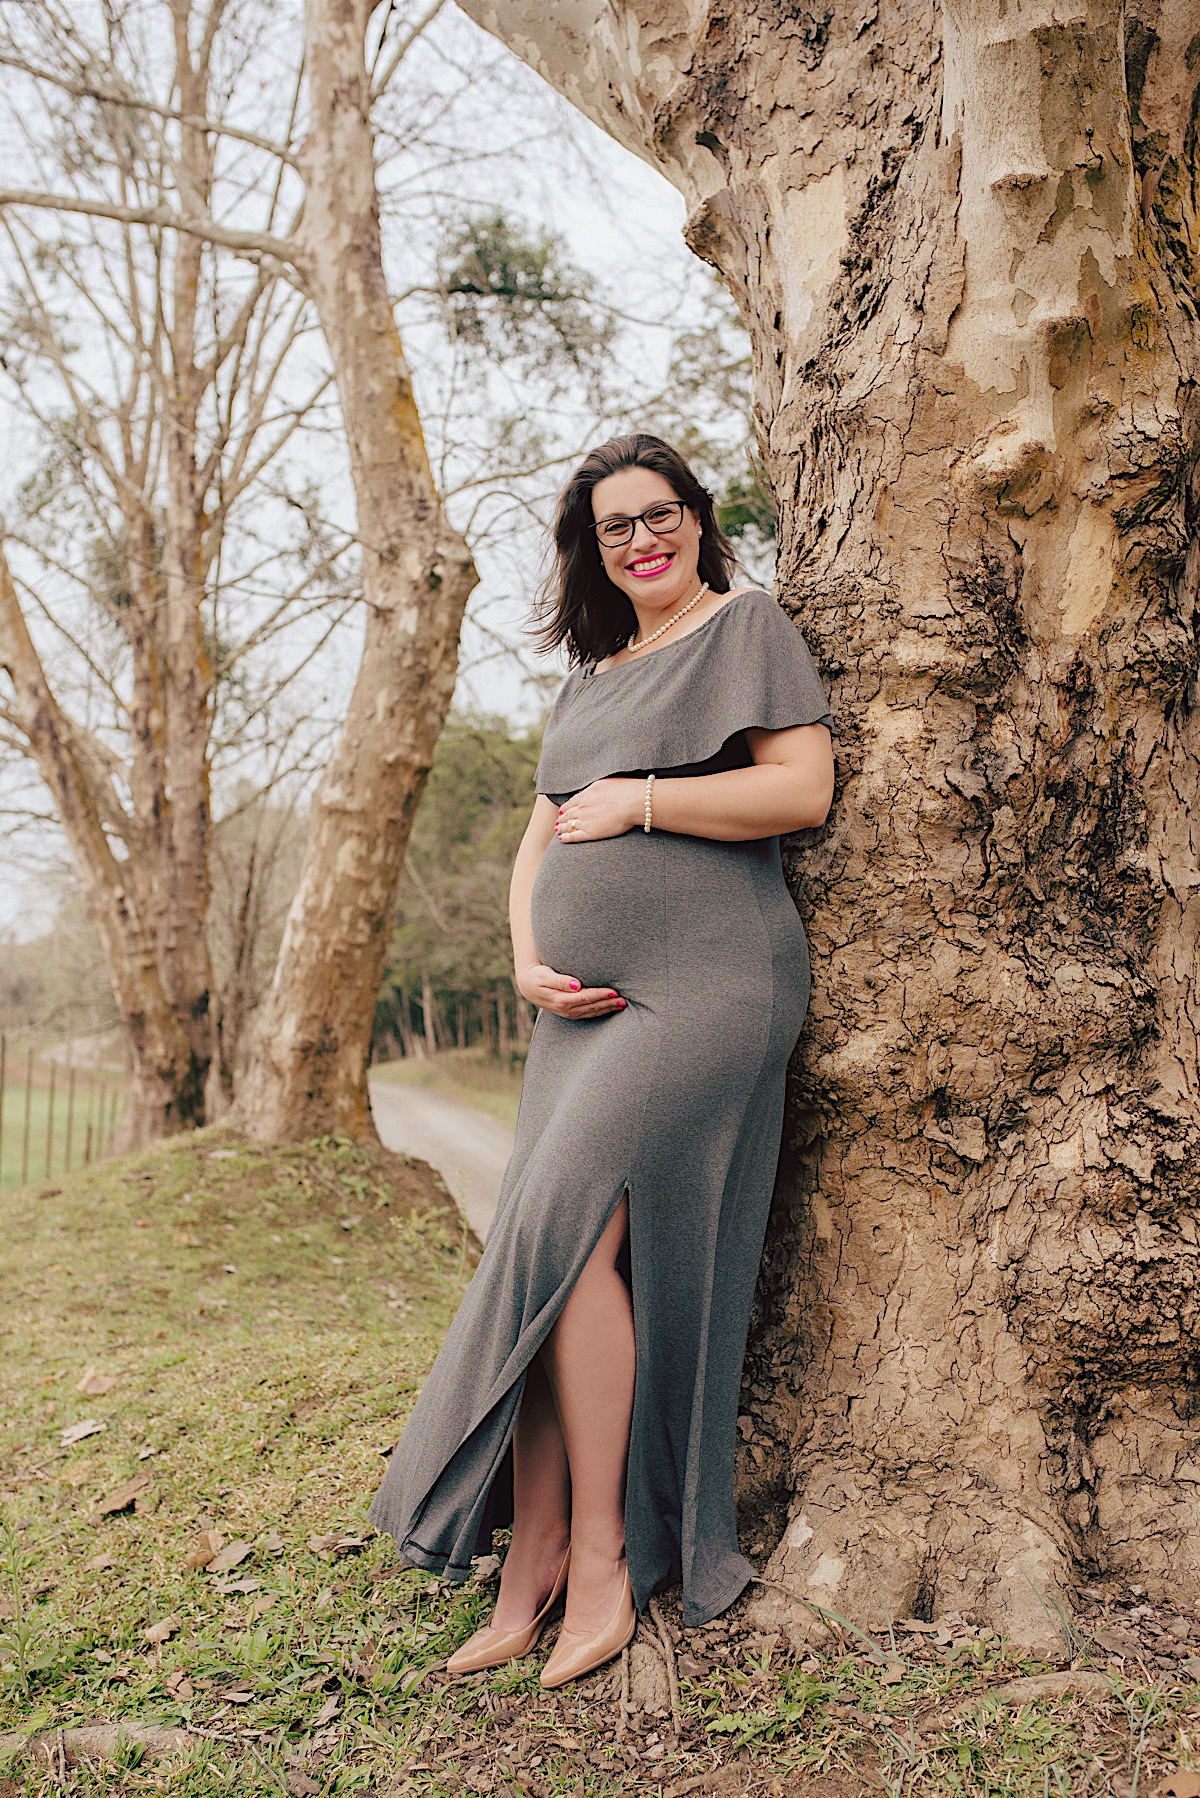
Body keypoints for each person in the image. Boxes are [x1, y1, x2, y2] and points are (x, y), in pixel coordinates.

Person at [369, 433, 834, 1687]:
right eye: (616, 525)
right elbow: (534, 852)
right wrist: (527, 958)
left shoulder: (748, 627)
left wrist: (643, 800)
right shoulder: (587, 681)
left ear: (697, 518)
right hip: (574, 1016)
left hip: (711, 985)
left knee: (564, 1241)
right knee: (550, 1252)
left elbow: (801, 788)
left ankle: (599, 1559)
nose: (644, 538)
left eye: (662, 513)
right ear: (593, 550)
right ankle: (533, 1571)